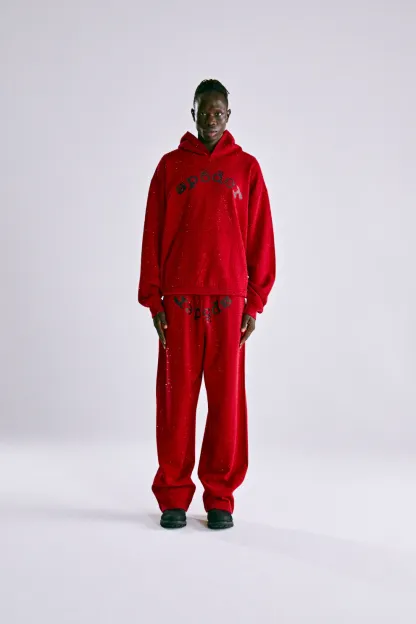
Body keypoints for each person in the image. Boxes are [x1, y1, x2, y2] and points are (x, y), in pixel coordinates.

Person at [138, 78, 276, 530]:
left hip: (228, 301)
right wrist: (154, 298)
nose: (212, 118)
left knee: (226, 402)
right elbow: (152, 232)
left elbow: (261, 236)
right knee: (175, 401)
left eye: (219, 112)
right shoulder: (170, 167)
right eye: (205, 111)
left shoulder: (247, 169)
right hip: (178, 298)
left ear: (228, 116)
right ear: (193, 113)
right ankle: (174, 495)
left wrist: (254, 302)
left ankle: (220, 497)